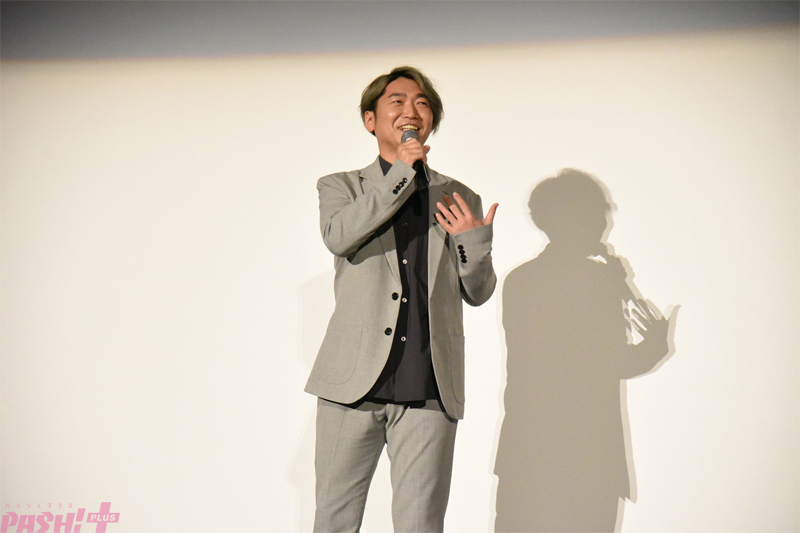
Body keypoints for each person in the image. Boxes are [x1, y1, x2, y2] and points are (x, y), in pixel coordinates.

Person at [305, 66, 498, 532]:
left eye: (422, 103)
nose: (411, 110)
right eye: (397, 101)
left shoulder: (459, 196)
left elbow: (478, 292)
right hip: (351, 384)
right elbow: (338, 236)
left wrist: (473, 243)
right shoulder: (342, 186)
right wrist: (401, 175)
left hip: (428, 384)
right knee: (334, 521)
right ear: (371, 120)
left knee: (421, 525)